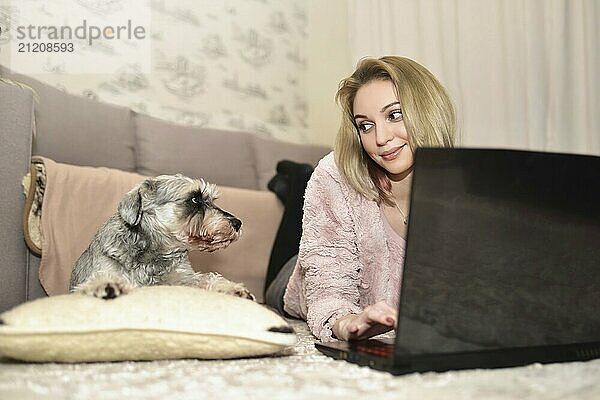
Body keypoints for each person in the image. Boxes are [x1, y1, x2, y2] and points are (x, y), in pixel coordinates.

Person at [265, 56, 457, 342]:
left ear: (426, 111)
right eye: (365, 125)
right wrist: (345, 322)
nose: (380, 138)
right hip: (304, 278)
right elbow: (328, 291)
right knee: (288, 285)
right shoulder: (334, 176)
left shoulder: (463, 189)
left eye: (394, 115)